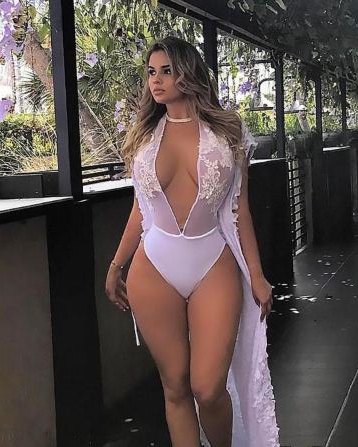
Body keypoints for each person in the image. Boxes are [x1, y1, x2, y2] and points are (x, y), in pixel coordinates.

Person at [105, 36, 280, 447]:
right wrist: (116, 265)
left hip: (212, 261)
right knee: (175, 386)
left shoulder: (228, 131)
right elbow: (140, 210)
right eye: (151, 72)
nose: (156, 80)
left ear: (188, 72)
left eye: (167, 71)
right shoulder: (144, 135)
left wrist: (256, 275)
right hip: (154, 266)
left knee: (208, 387)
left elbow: (240, 211)